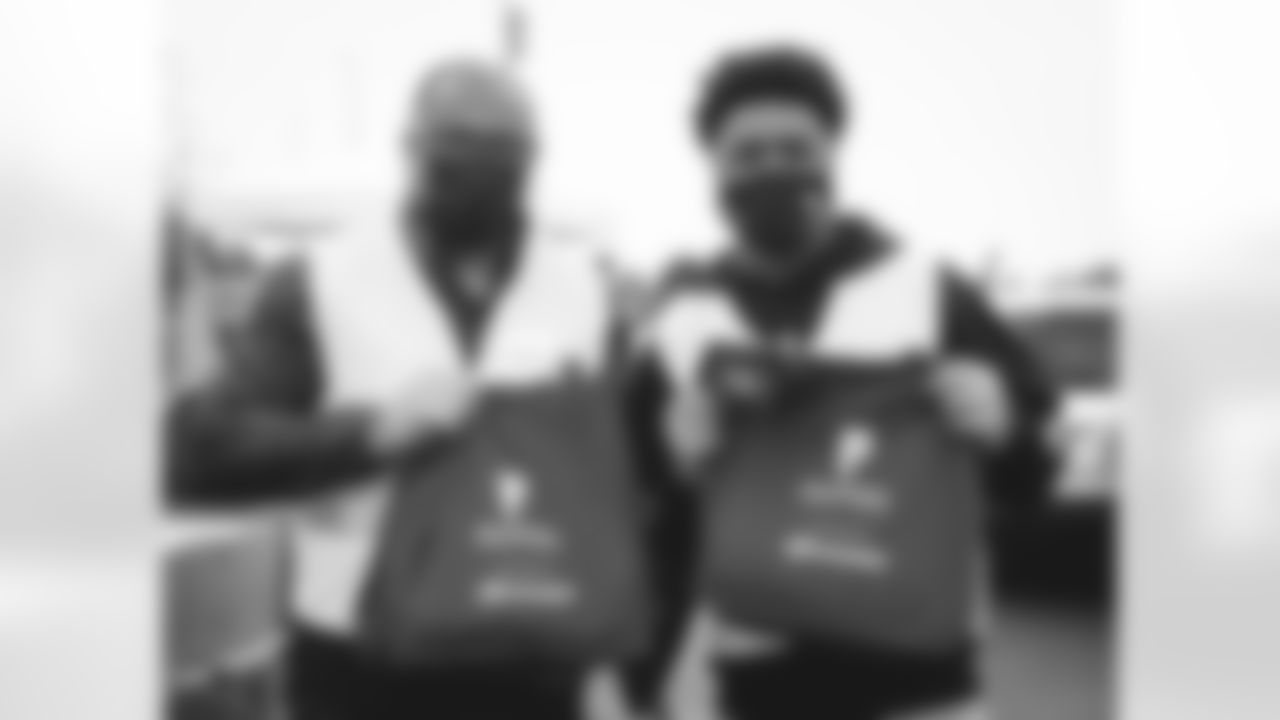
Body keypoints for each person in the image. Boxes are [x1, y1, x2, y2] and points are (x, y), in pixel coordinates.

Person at [168, 58, 661, 720]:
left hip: (534, 651)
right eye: (455, 142)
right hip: (360, 659)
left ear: (533, 160)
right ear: (410, 146)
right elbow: (195, 451)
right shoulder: (322, 279)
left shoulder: (586, 293)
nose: (478, 163)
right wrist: (371, 433)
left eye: (502, 149)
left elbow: (621, 469)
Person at [645, 45, 1062, 720]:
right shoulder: (679, 320)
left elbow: (1035, 470)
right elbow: (649, 521)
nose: (773, 168)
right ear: (712, 169)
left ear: (834, 156)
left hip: (924, 682)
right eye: (747, 154)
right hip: (758, 687)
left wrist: (1006, 424)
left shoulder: (928, 289)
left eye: (796, 149)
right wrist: (642, 682)